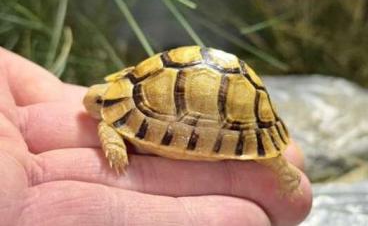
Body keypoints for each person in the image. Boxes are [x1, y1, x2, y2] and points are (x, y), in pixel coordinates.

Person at [0, 47, 312, 226]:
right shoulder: (123, 96)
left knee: (272, 161)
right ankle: (280, 169)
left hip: (231, 106)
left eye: (99, 102)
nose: (94, 107)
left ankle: (281, 169)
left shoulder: (113, 119)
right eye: (100, 101)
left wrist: (111, 137)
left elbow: (110, 126)